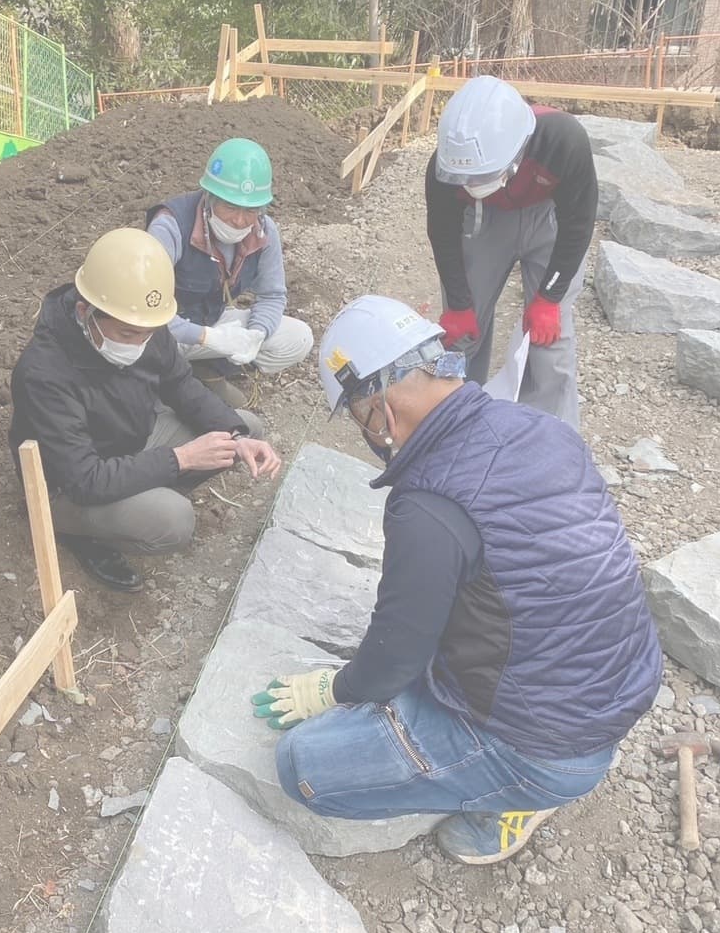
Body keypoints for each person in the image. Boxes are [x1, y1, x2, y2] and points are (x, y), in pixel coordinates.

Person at [252, 295, 661, 864]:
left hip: (544, 748)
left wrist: (332, 690)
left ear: (380, 414)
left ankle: (515, 796)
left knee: (306, 767)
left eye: (358, 419)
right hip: (609, 698)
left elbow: (394, 657)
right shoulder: (539, 427)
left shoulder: (428, 506)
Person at [9, 227, 282, 591]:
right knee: (173, 521)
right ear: (85, 312)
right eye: (126, 335)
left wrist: (235, 434)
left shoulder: (140, 322)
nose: (138, 344)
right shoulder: (44, 374)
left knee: (244, 429)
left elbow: (182, 385)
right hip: (69, 486)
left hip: (131, 439)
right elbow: (84, 479)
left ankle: (138, 498)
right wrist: (181, 459)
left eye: (148, 333)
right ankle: (80, 531)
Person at [424, 76, 598, 430]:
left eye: (480, 176)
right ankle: (455, 424)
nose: (471, 185)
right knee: (462, 335)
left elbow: (578, 223)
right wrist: (459, 305)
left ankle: (550, 435)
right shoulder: (446, 168)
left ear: (516, 151)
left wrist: (549, 297)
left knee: (550, 339)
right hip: (484, 220)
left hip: (549, 219)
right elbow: (443, 235)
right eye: (465, 180)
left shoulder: (563, 141)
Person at [146, 138, 313, 405]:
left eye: (250, 210)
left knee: (298, 338)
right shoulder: (170, 227)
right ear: (209, 198)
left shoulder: (264, 231)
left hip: (214, 324)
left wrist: (255, 334)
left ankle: (207, 373)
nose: (239, 220)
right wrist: (206, 337)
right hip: (167, 333)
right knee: (139, 345)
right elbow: (146, 307)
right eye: (230, 207)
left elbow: (272, 295)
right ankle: (171, 386)